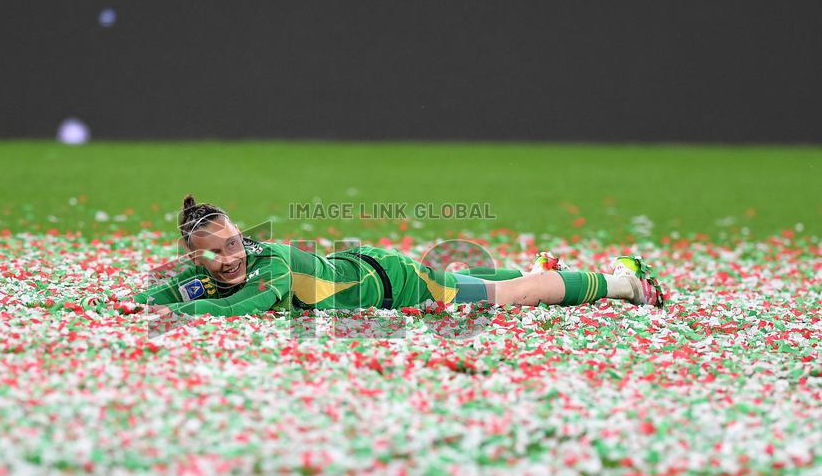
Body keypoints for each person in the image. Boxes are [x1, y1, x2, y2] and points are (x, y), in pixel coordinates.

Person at [115, 195, 665, 317]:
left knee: (506, 294)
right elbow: (171, 290)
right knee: (472, 278)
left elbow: (247, 304)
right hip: (378, 268)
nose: (229, 257)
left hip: (395, 284)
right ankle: (567, 275)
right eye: (212, 253)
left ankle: (626, 286)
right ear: (195, 258)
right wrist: (136, 303)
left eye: (233, 242)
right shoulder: (215, 271)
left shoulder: (270, 265)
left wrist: (178, 313)